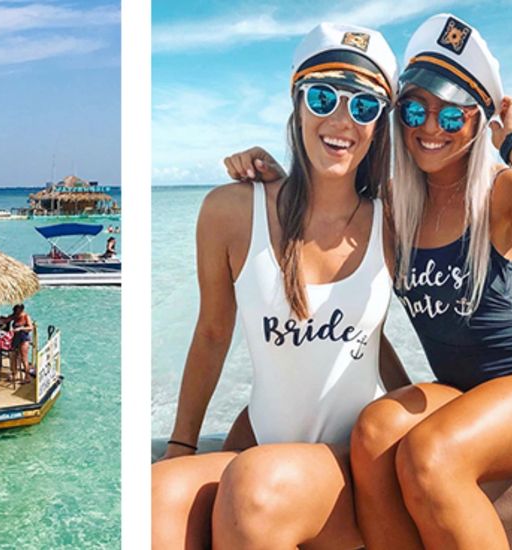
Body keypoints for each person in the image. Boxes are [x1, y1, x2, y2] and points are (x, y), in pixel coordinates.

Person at [226, 14, 512, 550]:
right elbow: (329, 208)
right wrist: (272, 178)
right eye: (416, 109)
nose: (432, 127)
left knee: (433, 454)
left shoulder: (501, 192)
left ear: (478, 122)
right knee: (375, 432)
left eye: (453, 113)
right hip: (458, 394)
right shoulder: (396, 205)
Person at [152, 23, 406, 549]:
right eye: (323, 97)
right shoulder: (230, 212)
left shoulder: (397, 221)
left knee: (255, 494)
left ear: (380, 124)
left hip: (348, 465)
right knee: (153, 500)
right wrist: (181, 444)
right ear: (298, 105)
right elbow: (213, 333)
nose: (342, 120)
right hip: (263, 447)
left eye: (364, 107)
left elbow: (373, 335)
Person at [10, 304, 34, 384]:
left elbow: (30, 328)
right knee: (13, 355)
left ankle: (27, 377)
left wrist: (21, 328)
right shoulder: (15, 316)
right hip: (16, 338)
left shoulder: (26, 316)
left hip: (24, 338)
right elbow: (8, 319)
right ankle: (14, 373)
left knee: (24, 358)